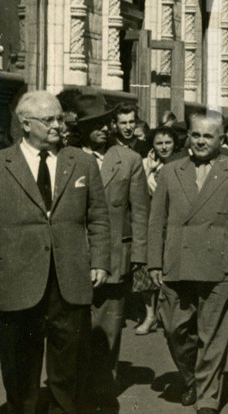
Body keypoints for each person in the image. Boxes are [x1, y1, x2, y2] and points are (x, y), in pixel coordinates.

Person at [0, 91, 111, 414]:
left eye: (60, 118)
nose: (57, 125)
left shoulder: (82, 162)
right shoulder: (3, 164)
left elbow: (99, 217)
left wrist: (101, 261)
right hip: (17, 280)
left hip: (70, 278)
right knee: (20, 366)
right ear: (25, 123)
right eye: (48, 120)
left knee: (70, 364)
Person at [147, 112, 228, 414]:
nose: (200, 141)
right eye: (195, 135)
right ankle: (191, 378)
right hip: (176, 262)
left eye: (207, 136)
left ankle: (208, 398)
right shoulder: (170, 171)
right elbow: (156, 220)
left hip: (218, 264)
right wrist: (153, 263)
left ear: (221, 139)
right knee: (173, 328)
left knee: (213, 335)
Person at [75, 94, 151, 412]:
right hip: (75, 255)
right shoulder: (68, 158)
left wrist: (141, 259)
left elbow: (140, 213)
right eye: (96, 125)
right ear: (81, 128)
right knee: (74, 328)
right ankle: (74, 390)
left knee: (109, 327)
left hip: (115, 257)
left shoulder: (128, 159)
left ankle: (104, 389)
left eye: (107, 122)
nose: (104, 129)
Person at [136, 126, 181, 336]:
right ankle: (150, 315)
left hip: (172, 221)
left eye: (168, 143)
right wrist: (149, 170)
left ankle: (169, 313)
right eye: (159, 143)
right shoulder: (145, 164)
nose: (164, 147)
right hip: (150, 222)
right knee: (146, 268)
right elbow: (137, 192)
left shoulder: (183, 164)